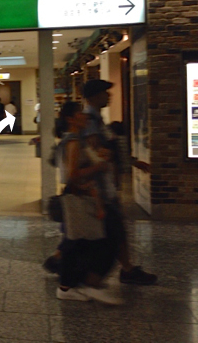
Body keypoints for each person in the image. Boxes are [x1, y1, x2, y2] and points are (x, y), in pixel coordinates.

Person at [81, 79, 156, 285]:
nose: (109, 95)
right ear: (94, 96)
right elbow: (95, 152)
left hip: (106, 185)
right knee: (114, 229)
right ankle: (122, 270)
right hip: (100, 187)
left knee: (112, 228)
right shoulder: (90, 120)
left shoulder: (97, 119)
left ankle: (126, 268)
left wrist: (131, 161)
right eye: (105, 92)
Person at [54, 101, 120, 304]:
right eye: (80, 113)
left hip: (84, 197)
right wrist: (98, 167)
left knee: (80, 243)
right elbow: (72, 174)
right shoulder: (73, 142)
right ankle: (74, 286)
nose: (85, 116)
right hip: (78, 199)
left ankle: (73, 285)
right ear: (71, 119)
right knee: (89, 243)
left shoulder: (76, 140)